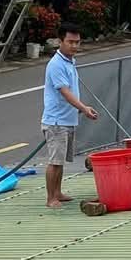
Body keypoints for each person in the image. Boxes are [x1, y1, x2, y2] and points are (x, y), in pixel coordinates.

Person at [40, 22, 98, 209]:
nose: (74, 46)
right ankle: (51, 198)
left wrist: (81, 108)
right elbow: (65, 92)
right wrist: (83, 108)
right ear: (60, 41)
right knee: (55, 161)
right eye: (70, 42)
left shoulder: (70, 62)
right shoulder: (56, 64)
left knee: (61, 160)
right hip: (56, 121)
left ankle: (58, 192)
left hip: (67, 119)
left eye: (77, 42)